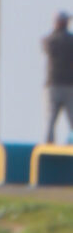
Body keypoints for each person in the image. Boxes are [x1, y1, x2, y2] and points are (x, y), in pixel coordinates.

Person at [44, 12, 73, 144]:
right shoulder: (68, 40)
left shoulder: (49, 40)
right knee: (68, 117)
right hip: (67, 85)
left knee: (51, 118)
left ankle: (49, 142)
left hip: (53, 85)